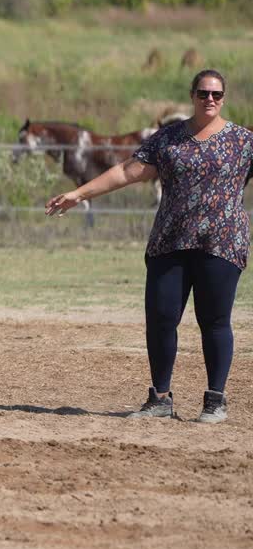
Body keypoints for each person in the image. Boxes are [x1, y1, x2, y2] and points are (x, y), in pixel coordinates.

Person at [46, 70, 253, 424]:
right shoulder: (168, 138)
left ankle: (215, 401)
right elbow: (127, 172)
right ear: (192, 95)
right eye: (203, 93)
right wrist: (78, 194)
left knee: (215, 321)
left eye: (216, 94)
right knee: (160, 318)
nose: (210, 100)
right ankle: (160, 399)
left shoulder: (243, 142)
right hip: (170, 242)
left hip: (220, 244)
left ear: (224, 98)